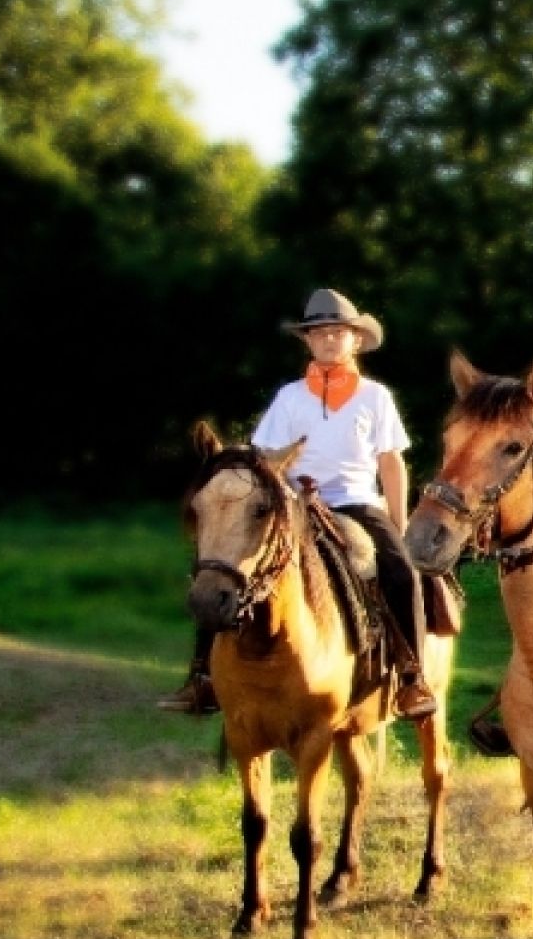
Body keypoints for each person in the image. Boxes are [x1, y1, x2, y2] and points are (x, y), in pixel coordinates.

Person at [159, 288, 439, 721]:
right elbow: (263, 460)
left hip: (356, 503)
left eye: (337, 332)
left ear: (356, 339)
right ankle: (203, 678)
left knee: (402, 571)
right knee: (221, 566)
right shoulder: (289, 397)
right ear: (307, 341)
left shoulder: (375, 397)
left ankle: (410, 677)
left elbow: (391, 463)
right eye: (319, 333)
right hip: (294, 505)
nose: (328, 340)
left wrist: (398, 522)